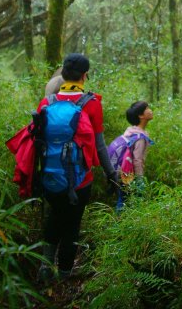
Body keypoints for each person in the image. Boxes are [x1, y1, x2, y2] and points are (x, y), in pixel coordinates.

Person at [36, 53, 120, 281]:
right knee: (72, 224)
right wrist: (111, 173)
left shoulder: (47, 103)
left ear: (62, 74)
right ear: (85, 76)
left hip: (50, 178)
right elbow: (100, 146)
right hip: (80, 181)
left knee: (53, 218)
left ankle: (45, 268)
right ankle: (64, 275)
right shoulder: (91, 104)